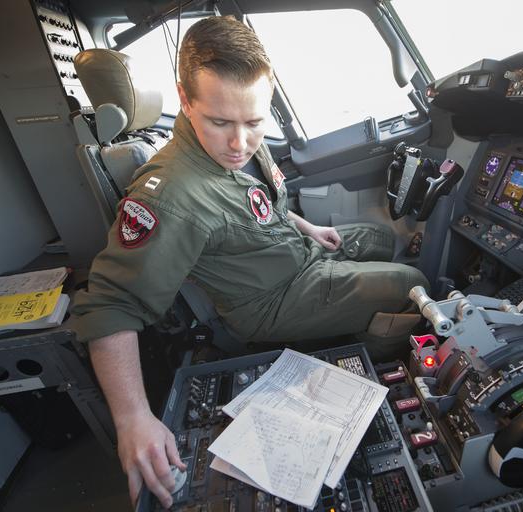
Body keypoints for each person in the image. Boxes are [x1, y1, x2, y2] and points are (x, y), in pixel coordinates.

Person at [70, 15, 428, 509]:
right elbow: (110, 304)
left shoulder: (235, 149)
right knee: (412, 284)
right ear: (185, 98)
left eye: (254, 122)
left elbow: (262, 209)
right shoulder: (172, 195)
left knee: (376, 237)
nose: (239, 144)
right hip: (272, 298)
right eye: (220, 122)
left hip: (294, 253)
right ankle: (376, 366)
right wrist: (133, 418)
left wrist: (308, 227)